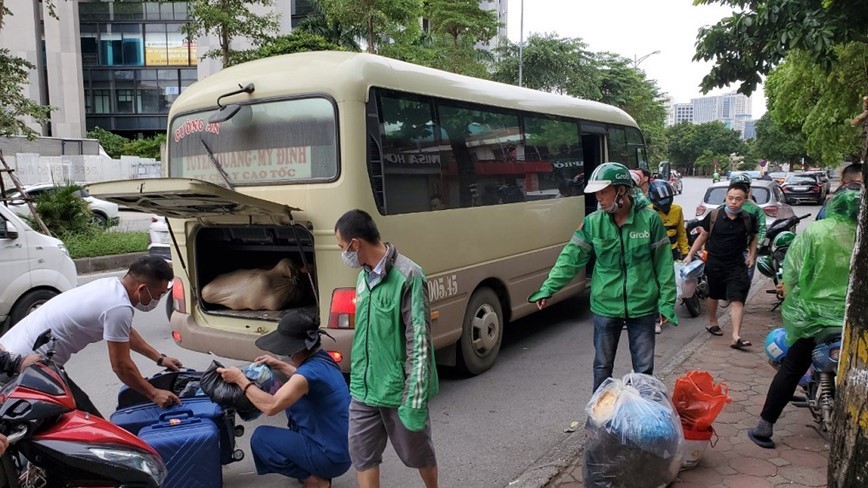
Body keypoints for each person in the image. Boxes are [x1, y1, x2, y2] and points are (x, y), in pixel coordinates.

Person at [529, 162, 678, 392]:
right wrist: (549, 287)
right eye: (596, 192)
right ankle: (599, 419)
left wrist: (666, 302)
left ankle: (644, 419)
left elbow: (663, 264)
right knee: (602, 367)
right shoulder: (593, 223)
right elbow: (571, 257)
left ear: (621, 190)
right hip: (605, 306)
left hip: (643, 306)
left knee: (644, 370)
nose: (599, 198)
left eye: (603, 191)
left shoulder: (650, 220)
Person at [334, 209, 439, 488]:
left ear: (356, 244)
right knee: (363, 456)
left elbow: (418, 342)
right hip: (363, 387)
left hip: (398, 391)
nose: (343, 254)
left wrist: (414, 398)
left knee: (418, 453)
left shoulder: (409, 276)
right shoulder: (362, 278)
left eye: (343, 247)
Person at [748, 190, 861, 448]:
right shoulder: (861, 234)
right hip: (852, 319)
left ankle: (764, 428)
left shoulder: (816, 232)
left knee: (791, 367)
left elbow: (793, 271)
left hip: (814, 317)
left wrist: (790, 291)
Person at [0, 256, 182, 416]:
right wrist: (153, 393)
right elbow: (121, 366)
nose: (157, 300)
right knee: (85, 424)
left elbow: (125, 333)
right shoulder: (118, 307)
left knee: (80, 417)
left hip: (11, 352)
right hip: (25, 368)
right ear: (142, 289)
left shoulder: (110, 287)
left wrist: (159, 358)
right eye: (159, 294)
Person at [217, 310, 351, 487]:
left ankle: (315, 480)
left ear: (292, 349)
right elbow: (303, 378)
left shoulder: (307, 375)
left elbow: (271, 406)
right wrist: (278, 364)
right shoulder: (324, 360)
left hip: (330, 457)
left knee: (260, 438)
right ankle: (316, 469)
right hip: (346, 451)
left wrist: (240, 379)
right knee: (296, 410)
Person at [684, 182, 758, 350]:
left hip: (737, 265)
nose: (733, 202)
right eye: (730, 198)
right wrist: (690, 254)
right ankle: (713, 322)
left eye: (738, 199)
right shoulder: (714, 215)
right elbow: (703, 236)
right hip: (715, 263)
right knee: (714, 294)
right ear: (726, 197)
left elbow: (753, 238)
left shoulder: (748, 218)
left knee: (738, 299)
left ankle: (736, 336)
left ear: (745, 200)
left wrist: (752, 256)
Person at [648, 180, 689, 334]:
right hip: (655, 255)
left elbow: (681, 233)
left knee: (669, 285)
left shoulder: (677, 210)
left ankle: (665, 313)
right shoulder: (648, 213)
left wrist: (685, 252)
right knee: (655, 287)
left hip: (672, 253)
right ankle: (656, 318)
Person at [728, 173, 767, 280]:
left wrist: (754, 250)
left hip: (747, 252)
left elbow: (761, 230)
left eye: (744, 187)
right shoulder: (722, 209)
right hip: (727, 252)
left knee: (743, 284)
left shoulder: (755, 209)